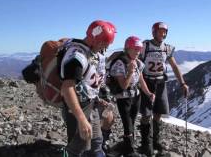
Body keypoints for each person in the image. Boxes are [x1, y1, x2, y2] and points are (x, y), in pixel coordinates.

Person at [60, 20, 116, 157]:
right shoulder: (77, 57)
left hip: (90, 106)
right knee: (76, 149)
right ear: (97, 40)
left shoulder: (89, 53)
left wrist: (96, 98)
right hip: (78, 110)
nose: (105, 47)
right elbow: (67, 88)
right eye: (105, 44)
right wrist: (82, 120)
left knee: (96, 145)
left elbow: (86, 83)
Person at [139, 22, 189, 156]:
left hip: (160, 83)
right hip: (147, 82)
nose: (163, 34)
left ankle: (155, 141)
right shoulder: (145, 46)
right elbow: (136, 62)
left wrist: (182, 83)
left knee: (158, 113)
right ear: (154, 32)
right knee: (146, 114)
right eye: (160, 31)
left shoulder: (167, 48)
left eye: (165, 32)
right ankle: (145, 143)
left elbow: (174, 66)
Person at [109, 36, 155, 157]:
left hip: (136, 96)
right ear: (127, 48)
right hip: (124, 98)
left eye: (139, 49)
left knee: (132, 122)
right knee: (127, 123)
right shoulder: (120, 63)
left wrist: (148, 93)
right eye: (135, 49)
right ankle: (129, 151)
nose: (138, 52)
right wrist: (129, 72)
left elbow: (140, 79)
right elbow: (123, 85)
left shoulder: (138, 63)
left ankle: (127, 146)